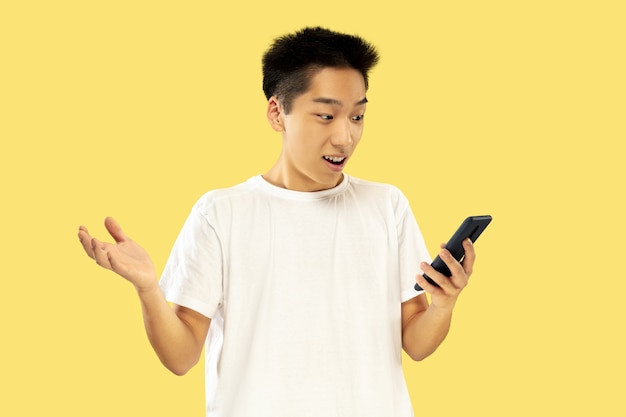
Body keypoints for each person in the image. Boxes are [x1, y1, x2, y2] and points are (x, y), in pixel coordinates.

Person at [78, 26, 476, 417]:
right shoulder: (221, 213)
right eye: (325, 115)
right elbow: (181, 358)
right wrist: (149, 289)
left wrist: (443, 304)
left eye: (357, 117)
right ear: (277, 113)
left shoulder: (387, 205)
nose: (345, 137)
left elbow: (417, 343)